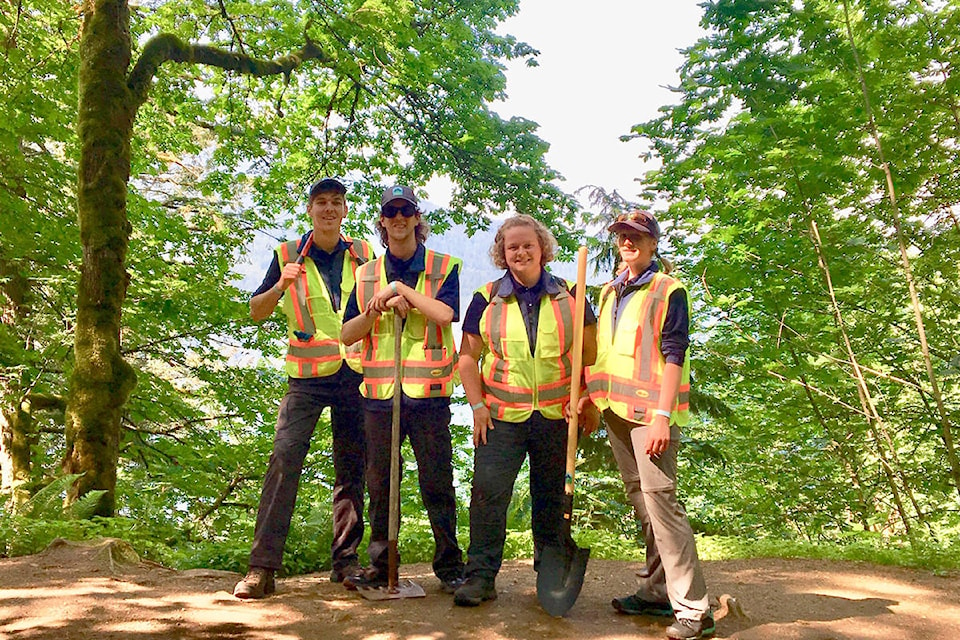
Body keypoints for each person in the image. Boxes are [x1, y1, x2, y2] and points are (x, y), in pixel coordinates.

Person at [233, 178, 374, 599]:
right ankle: (261, 568)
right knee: (283, 461)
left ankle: (346, 562)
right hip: (307, 378)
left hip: (356, 373)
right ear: (310, 210)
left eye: (336, 202)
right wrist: (281, 285)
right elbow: (256, 311)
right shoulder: (288, 255)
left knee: (353, 469)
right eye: (321, 202)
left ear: (345, 210)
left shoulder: (365, 254)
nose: (329, 209)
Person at [453, 214, 598, 607]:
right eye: (512, 246)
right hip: (501, 417)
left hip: (556, 417)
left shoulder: (571, 294)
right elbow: (467, 357)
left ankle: (549, 578)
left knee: (550, 499)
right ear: (502, 253)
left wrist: (584, 396)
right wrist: (477, 405)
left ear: (542, 249)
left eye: (527, 245)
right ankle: (480, 577)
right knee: (488, 495)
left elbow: (590, 354)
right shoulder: (486, 298)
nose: (520, 251)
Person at [582, 210, 713, 639]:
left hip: (652, 417)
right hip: (616, 411)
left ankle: (695, 610)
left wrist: (661, 417)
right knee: (642, 501)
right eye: (622, 235)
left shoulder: (668, 290)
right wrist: (588, 395)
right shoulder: (611, 292)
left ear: (653, 243)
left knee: (662, 504)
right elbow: (606, 351)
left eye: (636, 236)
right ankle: (657, 592)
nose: (627, 241)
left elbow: (674, 354)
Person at [340, 185, 465, 593]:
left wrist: (400, 291)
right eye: (390, 212)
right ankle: (381, 565)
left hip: (428, 395)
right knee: (380, 483)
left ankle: (450, 568)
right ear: (382, 221)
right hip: (379, 396)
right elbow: (347, 334)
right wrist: (374, 309)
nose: (398, 218)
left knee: (437, 482)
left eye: (405, 211)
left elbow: (446, 315)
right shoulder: (365, 275)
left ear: (416, 218)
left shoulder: (443, 267)